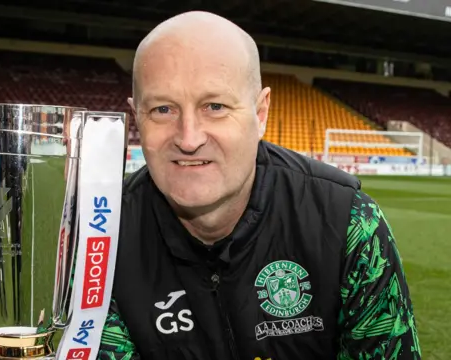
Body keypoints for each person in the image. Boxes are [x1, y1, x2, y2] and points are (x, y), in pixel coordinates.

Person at [95, 11, 421, 360]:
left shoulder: (348, 223)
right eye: (162, 109)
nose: (188, 138)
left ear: (260, 113)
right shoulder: (101, 236)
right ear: (135, 117)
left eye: (215, 106)